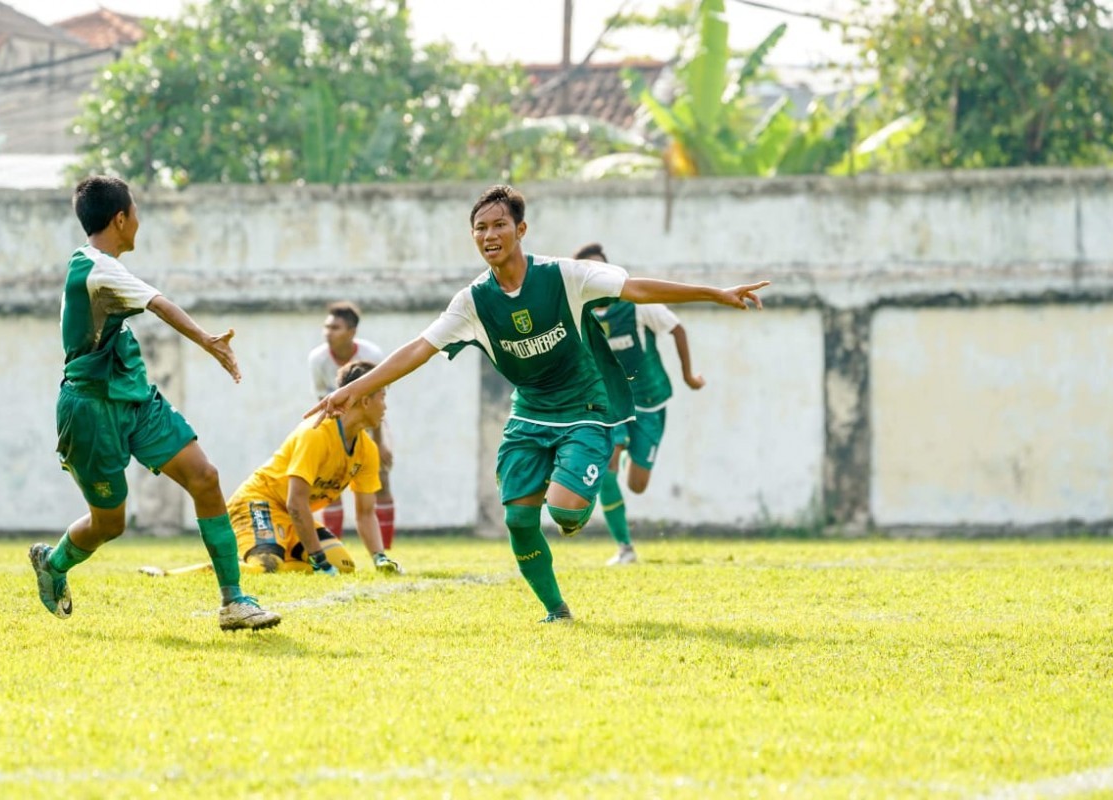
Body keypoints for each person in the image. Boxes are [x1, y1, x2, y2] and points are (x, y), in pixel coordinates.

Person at [307, 184, 768, 624]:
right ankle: (556, 609)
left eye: (499, 225)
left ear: (521, 230)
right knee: (518, 519)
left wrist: (713, 293)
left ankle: (577, 480)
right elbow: (417, 349)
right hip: (529, 414)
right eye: (480, 229)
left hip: (587, 407)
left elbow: (637, 289)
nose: (489, 236)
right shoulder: (472, 302)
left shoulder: (564, 275)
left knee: (565, 512)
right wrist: (351, 389)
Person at [30, 175, 280, 631]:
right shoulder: (96, 268)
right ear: (120, 218)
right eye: (136, 212)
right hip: (89, 409)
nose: (140, 221)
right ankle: (54, 562)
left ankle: (234, 601)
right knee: (110, 524)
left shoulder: (102, 267)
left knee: (205, 477)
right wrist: (208, 341)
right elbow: (159, 304)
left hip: (136, 399)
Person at [575, 242, 706, 566]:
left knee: (637, 485)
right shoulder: (578, 311)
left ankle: (634, 448)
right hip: (611, 403)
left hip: (650, 401)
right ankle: (625, 548)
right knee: (607, 469)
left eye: (603, 269)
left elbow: (677, 329)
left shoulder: (636, 303)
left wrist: (688, 375)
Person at [224, 360, 403, 577]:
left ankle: (280, 558)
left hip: (291, 515)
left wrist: (379, 557)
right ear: (365, 401)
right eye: (382, 398)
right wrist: (318, 560)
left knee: (343, 565)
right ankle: (178, 574)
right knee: (266, 565)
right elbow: (296, 502)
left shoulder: (368, 451)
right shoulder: (316, 433)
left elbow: (365, 513)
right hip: (258, 502)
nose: (385, 406)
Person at [307, 302, 397, 549]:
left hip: (370, 423)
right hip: (336, 427)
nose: (328, 332)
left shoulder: (372, 356)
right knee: (329, 485)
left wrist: (379, 443)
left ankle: (385, 551)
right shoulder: (318, 359)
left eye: (335, 327)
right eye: (326, 327)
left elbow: (377, 400)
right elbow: (322, 402)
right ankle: (333, 547)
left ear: (352, 331)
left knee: (381, 482)